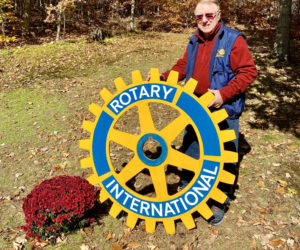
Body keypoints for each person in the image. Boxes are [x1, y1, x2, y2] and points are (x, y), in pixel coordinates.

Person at [151, 0, 258, 225]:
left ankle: (219, 202)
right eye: (199, 17)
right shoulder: (194, 40)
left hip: (224, 109)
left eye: (209, 15)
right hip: (195, 107)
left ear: (218, 15)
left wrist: (223, 94)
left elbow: (248, 72)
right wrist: (163, 77)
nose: (204, 20)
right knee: (191, 147)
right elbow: (183, 66)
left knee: (224, 157)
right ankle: (189, 190)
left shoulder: (233, 40)